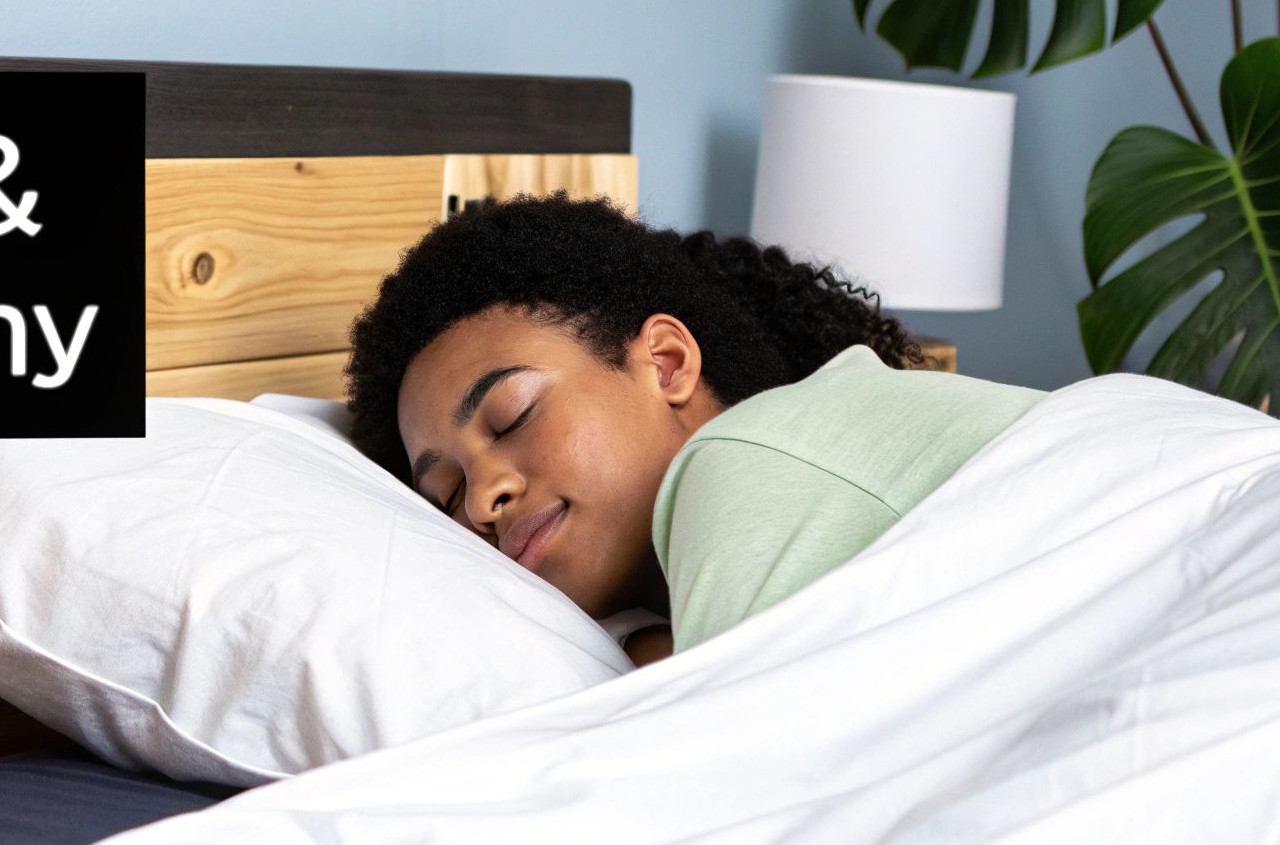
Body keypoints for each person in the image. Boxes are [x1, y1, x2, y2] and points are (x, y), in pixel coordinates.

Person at [344, 193, 1044, 665]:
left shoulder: (744, 462)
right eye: (445, 494)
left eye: (512, 416)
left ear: (666, 362)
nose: (481, 500)